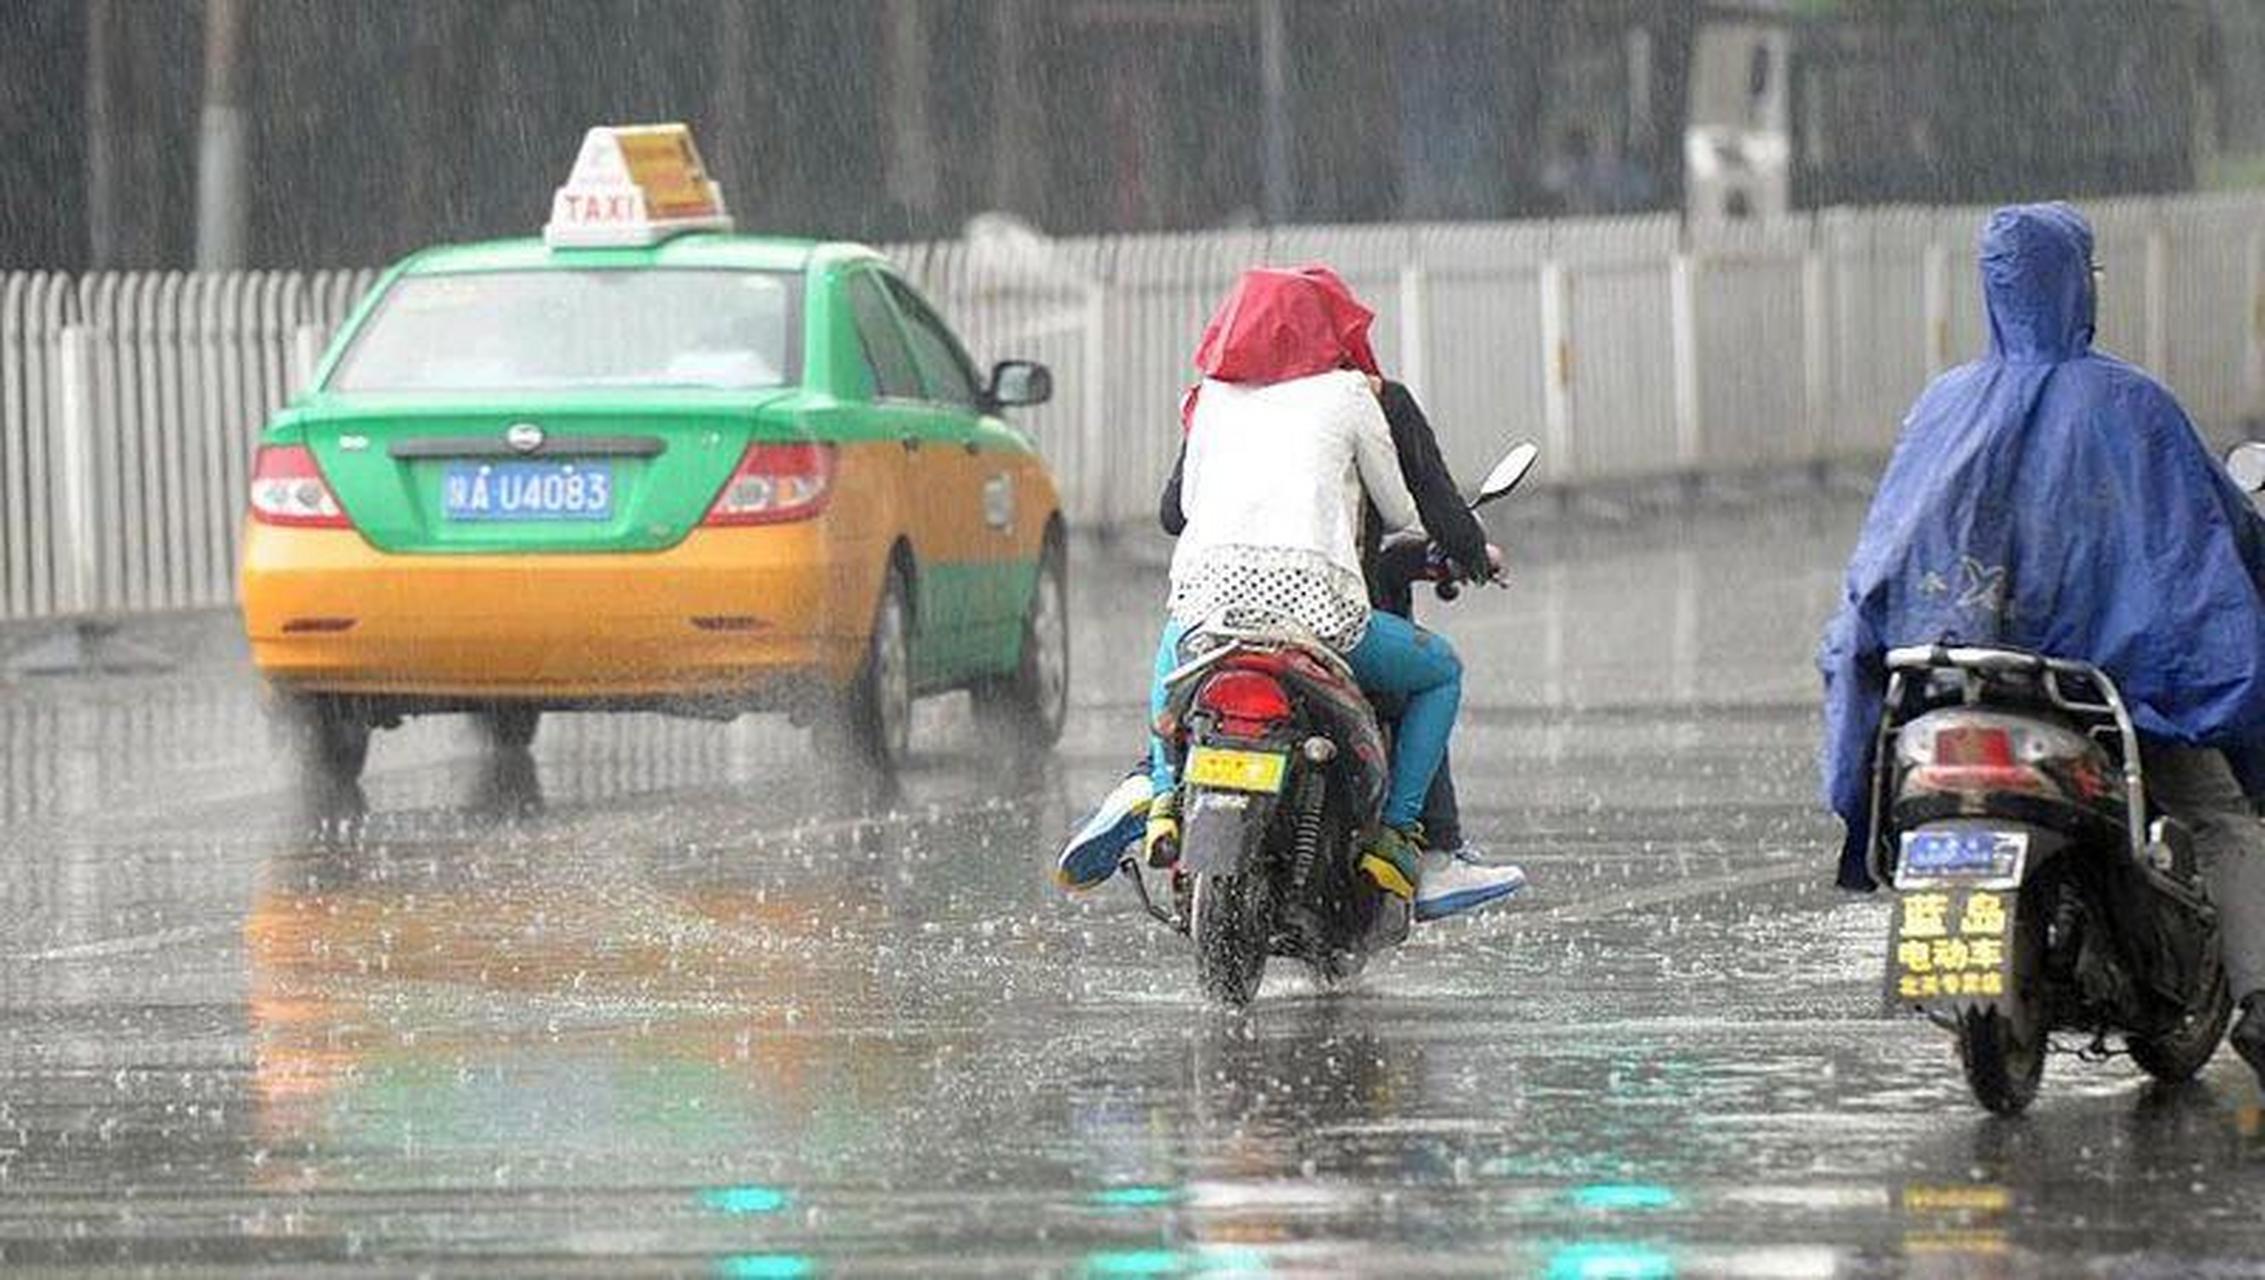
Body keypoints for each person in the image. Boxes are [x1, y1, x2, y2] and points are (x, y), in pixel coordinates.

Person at [1819, 202, 2265, 1088]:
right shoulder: (2129, 403)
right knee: (2218, 816)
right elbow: (2206, 536)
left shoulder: (1946, 405)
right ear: (2076, 284)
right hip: (2102, 689)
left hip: (1957, 681)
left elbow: (1887, 553)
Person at [1057, 266, 1524, 922]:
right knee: (1438, 672)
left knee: (1176, 649)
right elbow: (1397, 511)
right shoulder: (1355, 395)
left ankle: (1154, 789)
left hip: (1206, 610)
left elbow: (1178, 511)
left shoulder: (1213, 397)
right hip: (1316, 614)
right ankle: (1405, 844)